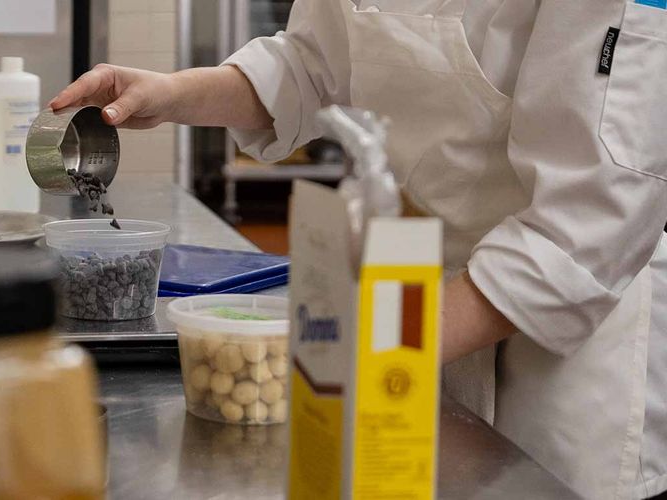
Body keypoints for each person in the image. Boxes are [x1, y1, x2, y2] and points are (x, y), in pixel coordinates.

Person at [50, 1, 667, 498]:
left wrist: (370, 352)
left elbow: (587, 218)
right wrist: (172, 94)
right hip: (411, 298)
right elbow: (310, 66)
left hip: (561, 342)